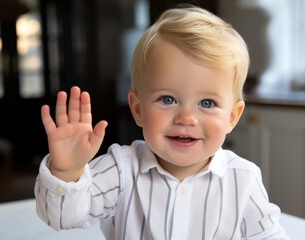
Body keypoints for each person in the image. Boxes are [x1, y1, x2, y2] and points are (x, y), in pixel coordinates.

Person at [34, 4, 289, 240]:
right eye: (167, 99)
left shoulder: (243, 179)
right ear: (137, 109)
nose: (186, 118)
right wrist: (67, 172)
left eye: (207, 103)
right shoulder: (120, 170)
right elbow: (63, 219)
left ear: (232, 117)